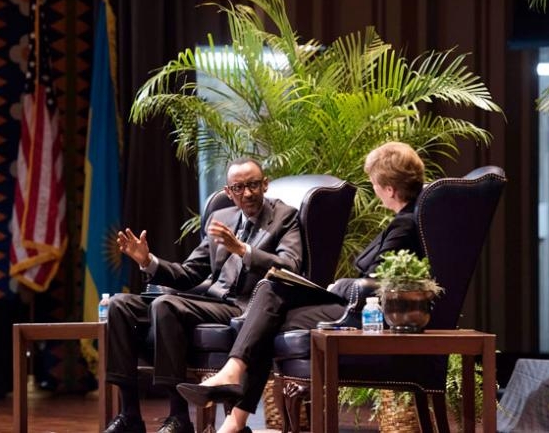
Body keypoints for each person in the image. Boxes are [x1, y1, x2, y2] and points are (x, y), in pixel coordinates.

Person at [176, 141, 426, 433]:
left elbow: (379, 282)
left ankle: (234, 396)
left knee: (269, 303)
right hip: (355, 302)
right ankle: (235, 414)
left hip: (363, 311)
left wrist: (339, 284)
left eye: (374, 183)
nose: (373, 188)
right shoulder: (404, 220)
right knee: (269, 298)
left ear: (389, 188)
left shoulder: (405, 225)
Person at [103, 158, 303, 433]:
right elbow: (189, 274)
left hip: (247, 306)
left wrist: (243, 250)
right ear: (228, 192)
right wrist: (147, 261)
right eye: (239, 187)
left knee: (166, 305)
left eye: (254, 185)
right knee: (119, 305)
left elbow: (290, 266)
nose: (247, 193)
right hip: (212, 300)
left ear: (265, 184)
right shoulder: (220, 219)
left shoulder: (285, 216)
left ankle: (178, 416)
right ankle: (129, 415)